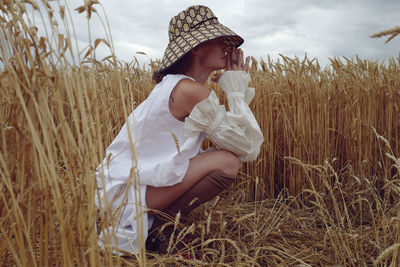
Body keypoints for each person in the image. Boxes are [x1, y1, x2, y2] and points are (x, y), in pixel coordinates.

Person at [95, 5, 264, 255]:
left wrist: (235, 89)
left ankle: (159, 227)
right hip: (130, 195)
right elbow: (248, 148)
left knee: (220, 157)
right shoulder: (189, 91)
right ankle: (159, 231)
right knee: (227, 162)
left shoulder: (175, 85)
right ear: (196, 47)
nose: (226, 47)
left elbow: (238, 137)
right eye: (217, 40)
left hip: (126, 188)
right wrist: (236, 90)